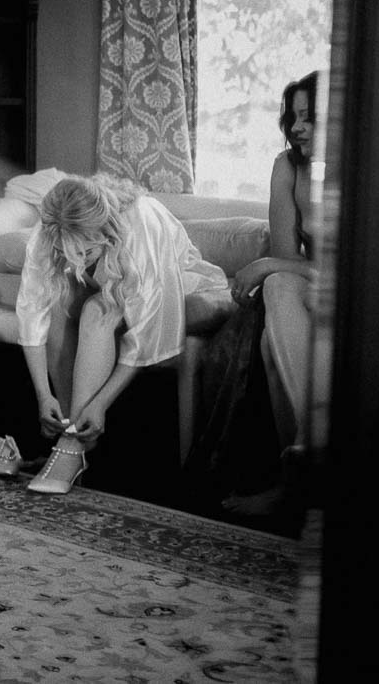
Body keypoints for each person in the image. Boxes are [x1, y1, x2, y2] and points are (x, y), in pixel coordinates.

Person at [14, 172, 230, 494]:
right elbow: (32, 310)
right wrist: (43, 395)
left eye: (84, 252)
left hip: (180, 286)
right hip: (113, 285)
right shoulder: (51, 228)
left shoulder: (141, 223)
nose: (75, 260)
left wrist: (101, 403)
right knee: (59, 305)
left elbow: (146, 335)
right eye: (68, 253)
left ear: (103, 231)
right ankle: (70, 430)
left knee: (96, 311)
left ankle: (73, 446)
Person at [219, 70, 321, 515]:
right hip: (306, 284)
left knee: (273, 303)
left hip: (360, 292)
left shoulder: (365, 167)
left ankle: (301, 472)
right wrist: (271, 266)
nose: (297, 127)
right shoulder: (288, 166)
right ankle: (304, 467)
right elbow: (286, 257)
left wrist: (264, 265)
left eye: (309, 117)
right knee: (277, 293)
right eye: (293, 117)